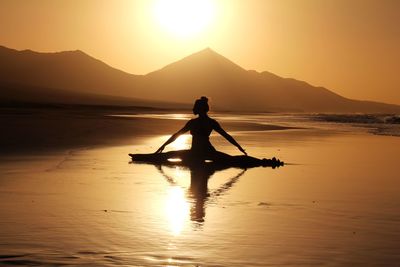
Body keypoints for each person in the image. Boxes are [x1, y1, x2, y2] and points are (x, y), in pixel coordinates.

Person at [155, 96, 247, 161]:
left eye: (195, 107)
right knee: (231, 159)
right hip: (199, 152)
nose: (193, 108)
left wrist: (239, 147)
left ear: (199, 108)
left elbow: (177, 135)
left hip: (204, 152)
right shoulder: (209, 122)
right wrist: (163, 145)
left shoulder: (195, 122)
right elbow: (226, 136)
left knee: (168, 155)